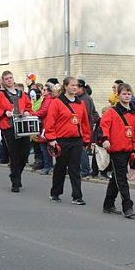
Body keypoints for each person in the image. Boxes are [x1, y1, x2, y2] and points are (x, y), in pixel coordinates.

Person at [45, 76, 91, 204]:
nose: (75, 87)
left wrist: (86, 139)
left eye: (77, 85)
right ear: (65, 86)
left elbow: (85, 123)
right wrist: (51, 138)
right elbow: (50, 122)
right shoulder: (57, 102)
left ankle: (77, 196)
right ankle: (55, 193)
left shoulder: (80, 103)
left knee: (75, 168)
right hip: (61, 140)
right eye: (72, 85)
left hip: (76, 140)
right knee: (60, 167)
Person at [99, 82, 135, 218]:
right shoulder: (111, 112)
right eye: (124, 93)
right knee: (122, 178)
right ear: (118, 95)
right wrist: (105, 139)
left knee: (116, 178)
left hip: (128, 149)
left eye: (129, 93)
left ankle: (108, 204)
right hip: (116, 150)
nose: (127, 96)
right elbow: (104, 126)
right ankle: (127, 206)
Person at [0, 70, 32, 192]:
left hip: (22, 125)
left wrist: (27, 112)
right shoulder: (0, 95)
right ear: (3, 81)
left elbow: (28, 106)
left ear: (13, 79)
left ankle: (15, 174)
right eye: (6, 79)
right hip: (9, 127)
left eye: (10, 78)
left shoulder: (21, 93)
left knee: (25, 153)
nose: (9, 80)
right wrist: (5, 112)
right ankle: (16, 182)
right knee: (14, 154)